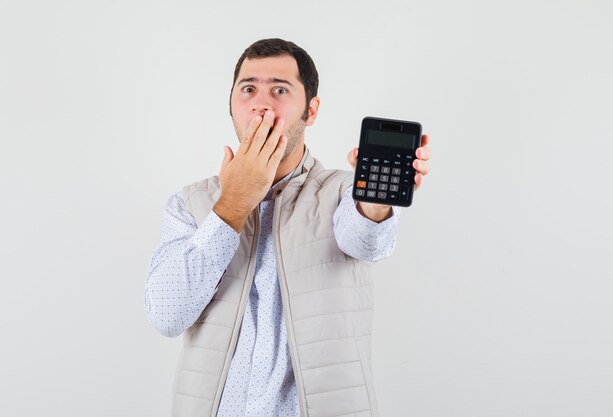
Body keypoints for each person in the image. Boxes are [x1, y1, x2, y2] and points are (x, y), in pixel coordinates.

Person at [144, 38, 431, 417]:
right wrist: (233, 205)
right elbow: (166, 315)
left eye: (280, 89)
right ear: (231, 104)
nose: (261, 103)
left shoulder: (344, 191)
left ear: (310, 111)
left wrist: (376, 203)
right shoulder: (190, 203)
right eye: (248, 89)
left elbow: (364, 241)